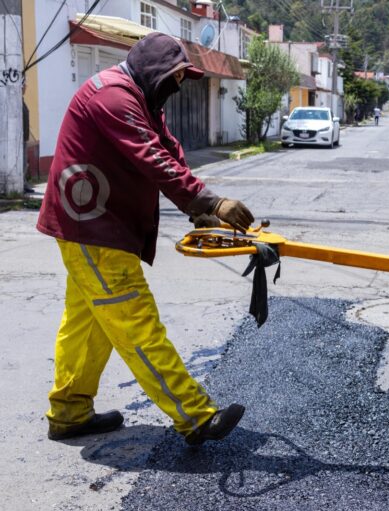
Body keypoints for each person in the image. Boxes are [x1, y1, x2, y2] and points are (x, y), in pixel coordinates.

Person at [37, 33, 253, 445]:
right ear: (154, 71)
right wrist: (209, 200)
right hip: (92, 226)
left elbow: (167, 149)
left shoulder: (139, 97)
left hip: (97, 227)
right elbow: (150, 157)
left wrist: (201, 210)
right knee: (137, 323)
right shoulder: (113, 98)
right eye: (173, 78)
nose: (175, 87)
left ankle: (69, 413)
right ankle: (194, 415)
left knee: (88, 326)